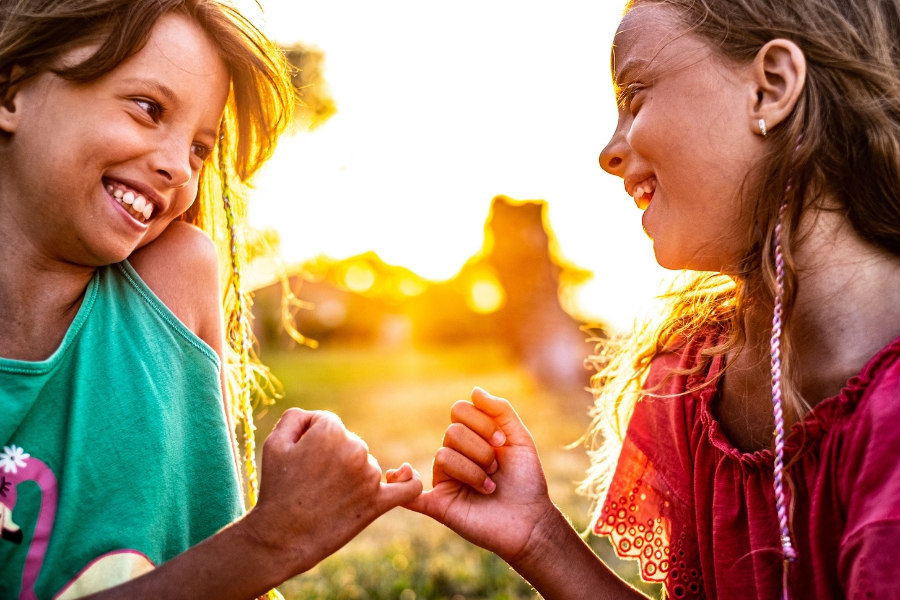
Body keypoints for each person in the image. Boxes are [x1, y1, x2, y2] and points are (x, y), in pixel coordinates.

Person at [397, 0, 900, 598]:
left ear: (771, 89)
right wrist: (538, 537)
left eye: (634, 97)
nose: (608, 152)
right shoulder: (691, 379)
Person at [0, 1, 421, 598]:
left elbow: (208, 543)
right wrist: (273, 541)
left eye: (200, 147)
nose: (178, 166)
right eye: (148, 109)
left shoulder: (173, 283)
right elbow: (242, 554)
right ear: (11, 92)